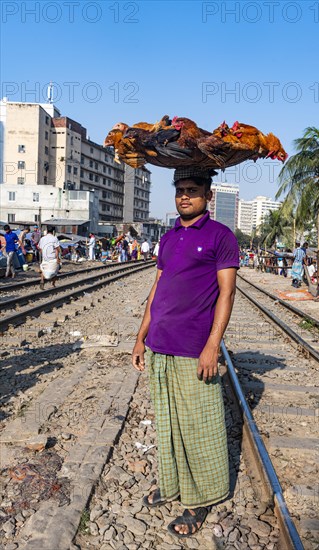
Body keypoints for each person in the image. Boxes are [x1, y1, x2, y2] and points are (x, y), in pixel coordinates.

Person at [132, 167, 239, 538]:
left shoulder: (220, 237)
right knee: (168, 423)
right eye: (180, 190)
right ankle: (174, 485)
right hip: (161, 345)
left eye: (192, 190)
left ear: (208, 195)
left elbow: (227, 294)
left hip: (194, 348)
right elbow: (157, 288)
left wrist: (212, 345)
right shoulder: (168, 237)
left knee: (199, 427)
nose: (184, 196)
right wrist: (140, 336)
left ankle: (201, 499)